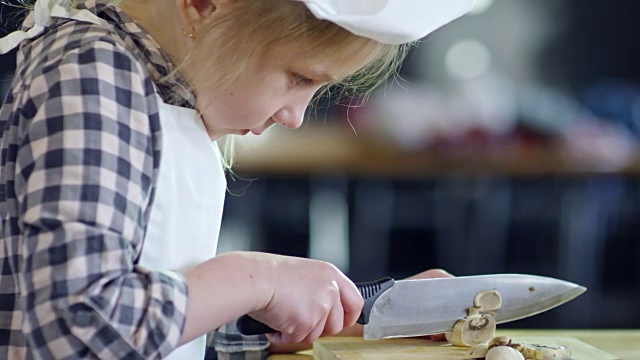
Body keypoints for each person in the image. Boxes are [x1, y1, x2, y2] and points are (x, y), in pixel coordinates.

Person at [0, 0, 475, 358]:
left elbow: (157, 335)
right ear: (204, 5)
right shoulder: (93, 77)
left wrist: (353, 317)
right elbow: (76, 330)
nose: (295, 116)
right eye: (298, 77)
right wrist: (258, 279)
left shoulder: (154, 90)